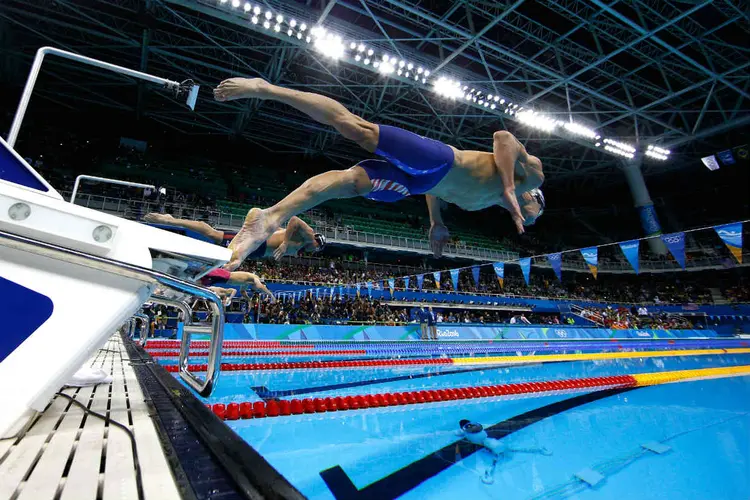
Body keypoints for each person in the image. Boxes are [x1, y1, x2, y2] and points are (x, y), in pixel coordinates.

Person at [213, 78, 545, 269]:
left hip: (419, 183)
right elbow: (504, 138)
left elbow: (438, 191)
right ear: (534, 200)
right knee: (356, 129)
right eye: (535, 214)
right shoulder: (531, 178)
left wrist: (435, 222)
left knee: (352, 183)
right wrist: (507, 186)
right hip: (441, 160)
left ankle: (270, 217)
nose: (531, 222)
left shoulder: (478, 206)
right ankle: (266, 88)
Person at [143, 212, 326, 261]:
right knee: (215, 235)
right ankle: (172, 221)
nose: (314, 250)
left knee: (216, 245)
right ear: (317, 242)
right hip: (255, 242)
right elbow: (294, 219)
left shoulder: (302, 247)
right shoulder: (309, 236)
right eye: (317, 248)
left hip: (257, 249)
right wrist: (285, 243)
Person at [199, 268, 276, 303]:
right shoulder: (255, 277)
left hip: (225, 280)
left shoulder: (247, 282)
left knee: (203, 282)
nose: (257, 289)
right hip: (226, 275)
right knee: (205, 271)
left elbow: (242, 291)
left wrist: (249, 301)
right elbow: (260, 286)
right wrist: (271, 295)